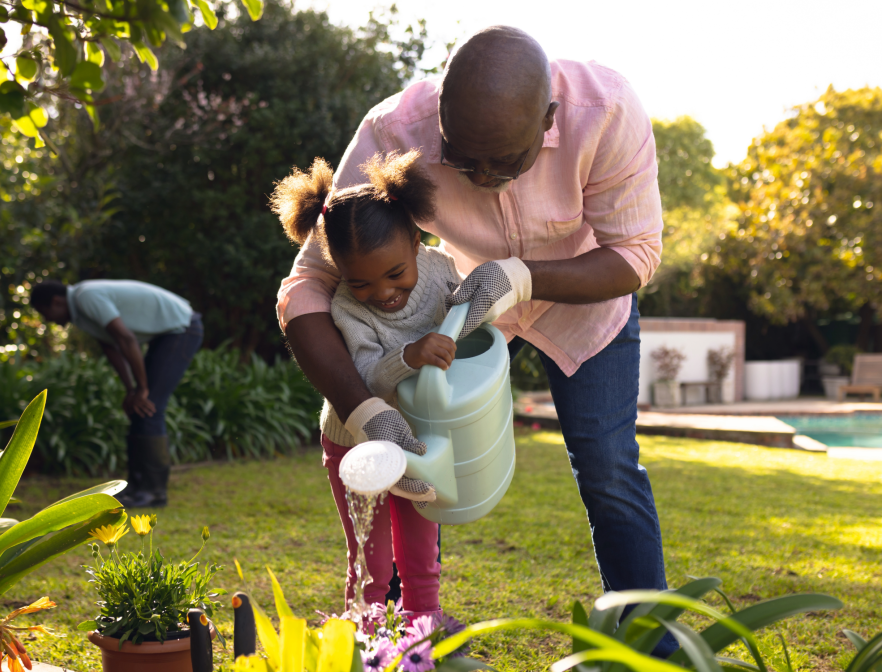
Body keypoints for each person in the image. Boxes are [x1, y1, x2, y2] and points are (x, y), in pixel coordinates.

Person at [277, 26, 676, 654]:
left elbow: (636, 254)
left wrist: (522, 276)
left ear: (546, 120)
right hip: (452, 311)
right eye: (465, 160)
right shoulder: (393, 133)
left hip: (582, 304)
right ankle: (396, 639)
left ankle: (651, 650)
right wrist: (365, 410)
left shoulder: (607, 113)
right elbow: (306, 284)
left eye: (505, 161)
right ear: (439, 119)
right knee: (420, 457)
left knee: (606, 468)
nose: (485, 176)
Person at [270, 149, 457, 621]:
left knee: (421, 546)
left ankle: (423, 628)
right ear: (338, 271)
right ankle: (367, 632)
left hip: (414, 434)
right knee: (371, 555)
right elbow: (367, 378)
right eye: (361, 283)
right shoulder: (345, 308)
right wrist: (410, 355)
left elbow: (462, 314)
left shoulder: (440, 270)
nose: (382, 293)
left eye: (395, 274)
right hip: (355, 442)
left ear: (416, 243)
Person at [30, 278, 203, 508]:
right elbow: (111, 347)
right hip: (167, 334)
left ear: (56, 301)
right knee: (138, 407)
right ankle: (136, 488)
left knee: (150, 406)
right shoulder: (81, 310)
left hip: (182, 328)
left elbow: (126, 338)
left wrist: (142, 389)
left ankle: (154, 492)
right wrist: (131, 390)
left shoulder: (86, 297)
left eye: (45, 312)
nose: (48, 320)